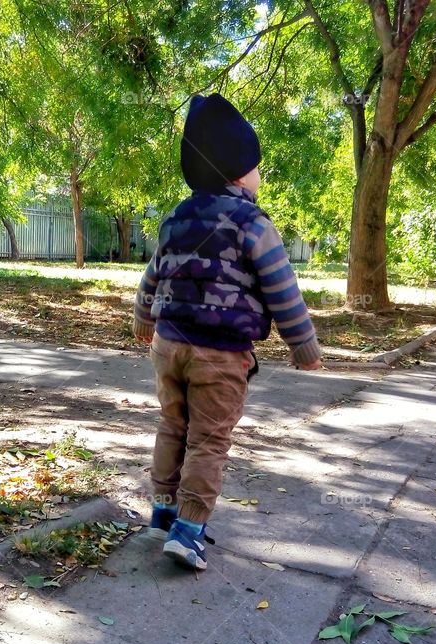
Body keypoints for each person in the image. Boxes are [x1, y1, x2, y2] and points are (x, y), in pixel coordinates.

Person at [132, 93, 322, 571]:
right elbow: (282, 288)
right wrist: (303, 345)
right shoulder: (253, 224)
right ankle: (189, 530)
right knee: (209, 440)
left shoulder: (176, 218)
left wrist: (142, 316)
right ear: (239, 172)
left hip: (168, 344)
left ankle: (163, 510)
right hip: (219, 353)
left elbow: (153, 274)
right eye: (257, 167)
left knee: (172, 425)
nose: (260, 176)